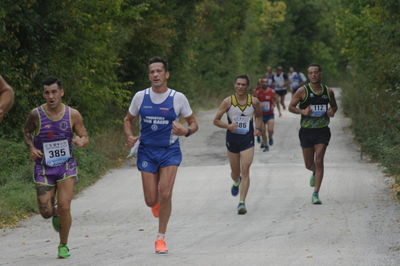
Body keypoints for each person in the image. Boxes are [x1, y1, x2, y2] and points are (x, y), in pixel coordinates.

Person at [124, 56, 198, 254]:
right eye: (152, 72)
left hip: (169, 152)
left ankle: (160, 238)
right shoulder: (140, 97)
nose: (155, 75)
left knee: (165, 193)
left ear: (166, 74)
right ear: (149, 75)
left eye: (159, 71)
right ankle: (156, 202)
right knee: (151, 200)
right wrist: (130, 136)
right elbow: (128, 119)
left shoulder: (178, 98)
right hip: (147, 151)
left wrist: (186, 131)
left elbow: (193, 123)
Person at [23, 78, 89, 258]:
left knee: (65, 206)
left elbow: (84, 135)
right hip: (43, 168)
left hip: (66, 166)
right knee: (45, 212)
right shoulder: (35, 114)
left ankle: (63, 245)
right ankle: (53, 215)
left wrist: (80, 141)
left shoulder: (73, 114)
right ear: (43, 94)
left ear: (61, 92)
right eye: (47, 92)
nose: (51, 96)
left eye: (54, 92)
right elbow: (27, 132)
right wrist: (32, 148)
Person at [213, 74, 263, 215]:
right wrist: (228, 126)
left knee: (245, 169)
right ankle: (236, 181)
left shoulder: (254, 102)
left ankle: (242, 202)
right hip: (232, 139)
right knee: (235, 173)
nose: (240, 87)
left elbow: (259, 116)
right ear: (235, 85)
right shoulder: (228, 102)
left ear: (247, 87)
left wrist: (258, 128)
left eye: (243, 84)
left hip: (247, 140)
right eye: (238, 84)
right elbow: (215, 120)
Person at [288, 64, 338, 204]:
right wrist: (302, 112)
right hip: (306, 131)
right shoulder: (302, 91)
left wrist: (332, 111)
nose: (314, 75)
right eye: (311, 73)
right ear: (308, 75)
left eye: (316, 72)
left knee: (319, 160)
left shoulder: (328, 91)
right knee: (308, 164)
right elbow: (291, 107)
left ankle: (316, 193)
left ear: (320, 74)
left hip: (322, 130)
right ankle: (314, 172)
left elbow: (334, 106)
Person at [253, 77, 281, 152]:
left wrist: (274, 105)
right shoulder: (257, 92)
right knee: (263, 132)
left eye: (266, 82)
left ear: (268, 83)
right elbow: (253, 102)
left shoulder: (272, 91)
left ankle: (271, 137)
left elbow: (276, 101)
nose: (264, 83)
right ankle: (266, 145)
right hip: (260, 116)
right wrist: (257, 106)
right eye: (263, 82)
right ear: (261, 83)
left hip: (270, 114)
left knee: (270, 130)